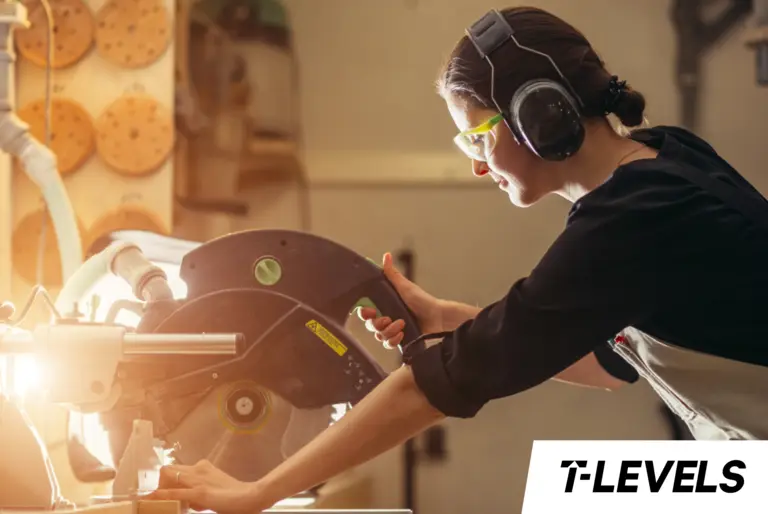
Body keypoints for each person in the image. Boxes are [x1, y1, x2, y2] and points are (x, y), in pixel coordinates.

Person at [149, 6, 768, 512]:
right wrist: (450, 317)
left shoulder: (633, 217)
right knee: (570, 490)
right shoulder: (664, 161)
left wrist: (258, 491)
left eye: (477, 136)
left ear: (537, 115)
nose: (476, 165)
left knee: (571, 491)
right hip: (746, 462)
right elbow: (612, 363)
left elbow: (443, 382)